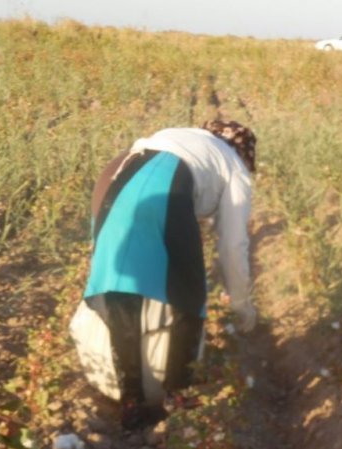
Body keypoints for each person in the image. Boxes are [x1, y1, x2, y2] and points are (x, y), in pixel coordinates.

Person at [83, 120, 258, 430]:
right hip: (167, 189)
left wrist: (100, 246)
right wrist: (242, 305)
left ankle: (132, 402)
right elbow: (233, 245)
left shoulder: (176, 137)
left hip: (118, 185)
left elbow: (116, 168)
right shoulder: (234, 164)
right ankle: (176, 394)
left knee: (117, 288)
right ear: (244, 152)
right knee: (187, 293)